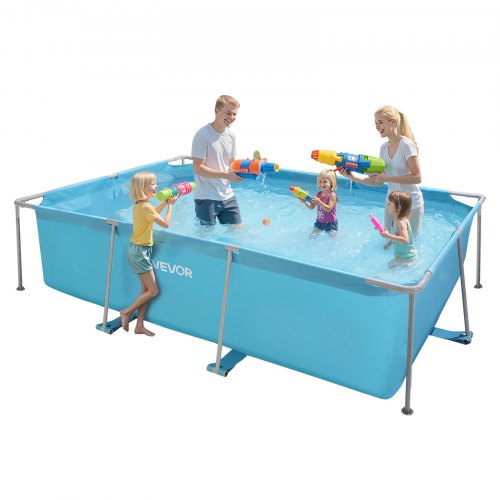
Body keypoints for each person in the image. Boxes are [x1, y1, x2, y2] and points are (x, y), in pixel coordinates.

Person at [341, 105, 423, 234]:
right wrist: (351, 176)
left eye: (380, 122)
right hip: (391, 203)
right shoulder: (383, 148)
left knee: (409, 242)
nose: (377, 127)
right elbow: (378, 181)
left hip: (411, 204)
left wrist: (388, 178)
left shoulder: (407, 145)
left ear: (393, 122)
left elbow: (417, 177)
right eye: (375, 123)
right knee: (388, 236)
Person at [120, 171, 177, 336]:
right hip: (140, 253)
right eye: (153, 184)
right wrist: (171, 206)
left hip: (138, 250)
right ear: (142, 188)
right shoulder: (146, 207)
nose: (156, 186)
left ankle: (139, 325)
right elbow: (165, 224)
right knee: (153, 291)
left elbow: (152, 214)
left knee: (145, 290)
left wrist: (165, 202)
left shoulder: (140, 204)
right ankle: (126, 311)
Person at [191, 95, 244, 226]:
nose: (232, 117)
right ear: (217, 111)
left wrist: (248, 168)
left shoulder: (231, 136)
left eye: (234, 114)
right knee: (206, 235)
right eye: (228, 113)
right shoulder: (202, 135)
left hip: (228, 195)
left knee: (237, 231)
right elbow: (198, 169)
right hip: (206, 197)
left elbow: (231, 164)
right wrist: (226, 175)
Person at [296, 168, 339, 238]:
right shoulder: (318, 194)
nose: (322, 184)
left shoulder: (332, 195)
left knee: (333, 240)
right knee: (311, 237)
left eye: (325, 182)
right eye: (320, 181)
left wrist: (318, 201)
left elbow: (329, 209)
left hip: (330, 224)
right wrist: (305, 202)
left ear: (331, 182)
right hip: (319, 223)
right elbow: (311, 207)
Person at [380, 191, 417, 267]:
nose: (387, 205)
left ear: (399, 207)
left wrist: (388, 236)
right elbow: (396, 235)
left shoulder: (401, 223)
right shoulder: (395, 220)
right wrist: (389, 243)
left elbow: (405, 240)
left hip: (408, 258)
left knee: (389, 266)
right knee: (389, 266)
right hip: (402, 256)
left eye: (390, 203)